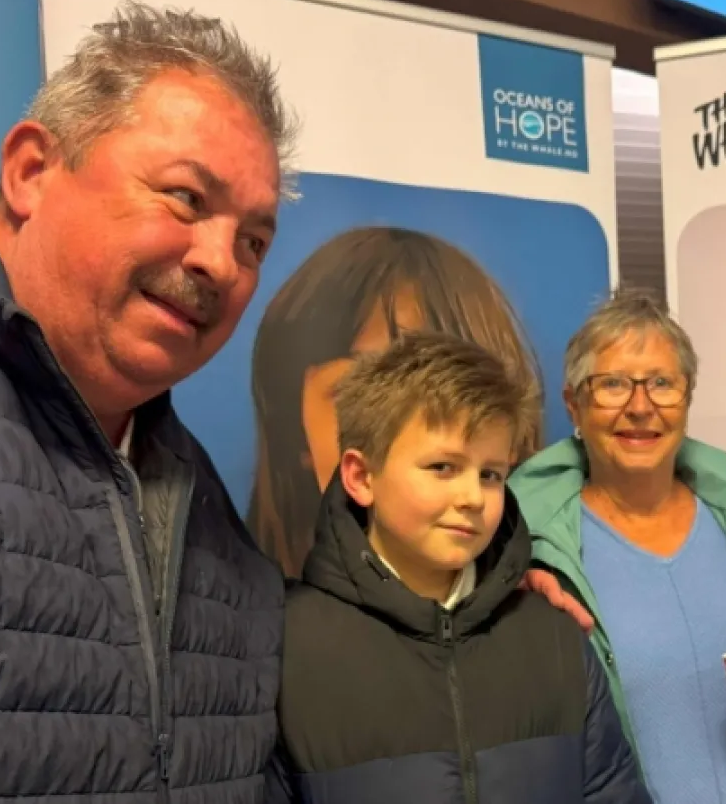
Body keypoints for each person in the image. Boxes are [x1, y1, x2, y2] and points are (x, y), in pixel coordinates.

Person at [0, 4, 294, 801]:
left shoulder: (215, 523)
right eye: (186, 198)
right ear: (32, 172)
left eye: (254, 241)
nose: (222, 263)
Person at [508, 289, 726, 804]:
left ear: (687, 398)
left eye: (661, 384)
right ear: (574, 405)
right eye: (612, 385)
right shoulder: (527, 542)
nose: (640, 406)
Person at [268, 331, 650, 803]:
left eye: (490, 474)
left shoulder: (553, 635)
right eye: (443, 467)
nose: (472, 498)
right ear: (361, 477)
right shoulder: (284, 646)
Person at [248, 226, 544, 577]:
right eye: (359, 391)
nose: (406, 429)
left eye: (447, 392)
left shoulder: (541, 613)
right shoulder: (263, 620)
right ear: (297, 436)